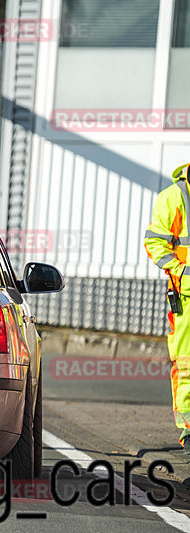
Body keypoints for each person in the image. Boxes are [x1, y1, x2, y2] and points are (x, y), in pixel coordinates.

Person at [144, 162, 190, 453]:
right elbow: (156, 244)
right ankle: (189, 430)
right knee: (187, 364)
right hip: (187, 298)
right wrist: (182, 273)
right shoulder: (173, 198)